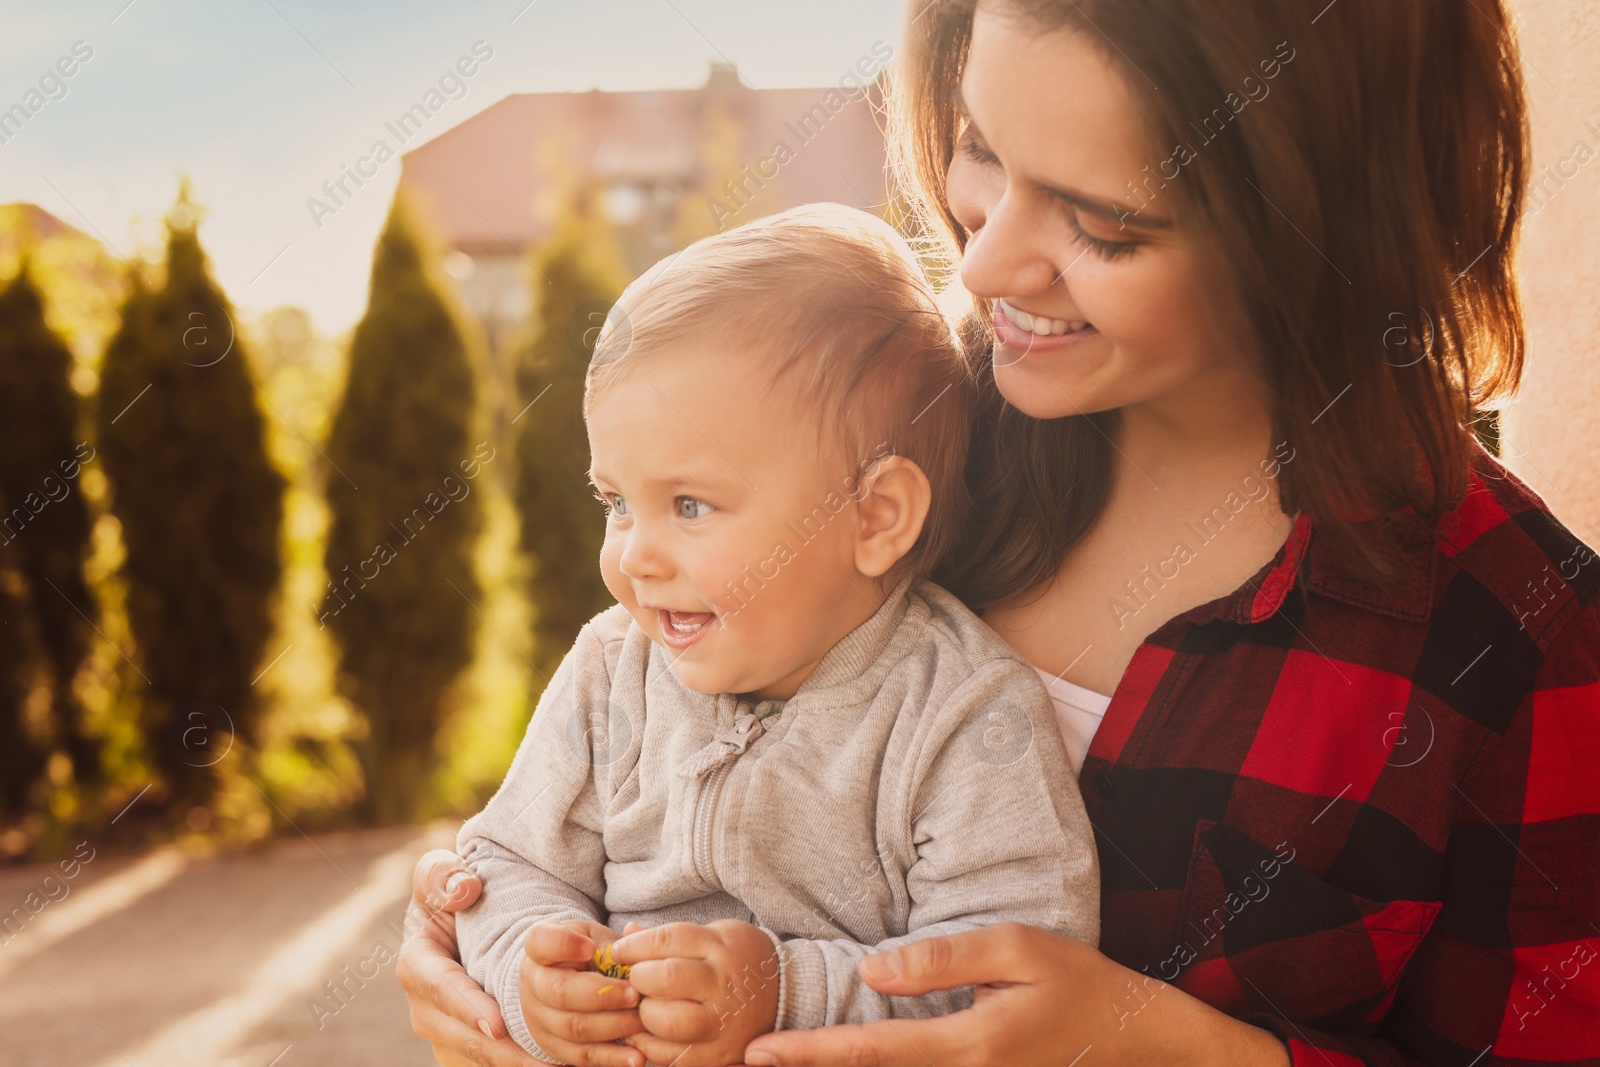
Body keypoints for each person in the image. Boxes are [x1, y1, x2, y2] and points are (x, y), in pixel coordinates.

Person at [399, 0, 1600, 1064]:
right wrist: (487, 941)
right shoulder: (857, 447)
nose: (980, 264)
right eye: (980, 147)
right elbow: (572, 823)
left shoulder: (1516, 638)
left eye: (1104, 223)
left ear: (1315, 225)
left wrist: (1161, 1047)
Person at [450, 203, 1099, 1067]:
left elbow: (1013, 977)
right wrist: (536, 979)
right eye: (616, 501)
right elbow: (501, 863)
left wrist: (785, 994)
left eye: (690, 505)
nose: (635, 554)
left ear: (875, 516)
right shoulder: (613, 671)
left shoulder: (961, 713)